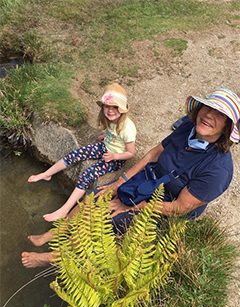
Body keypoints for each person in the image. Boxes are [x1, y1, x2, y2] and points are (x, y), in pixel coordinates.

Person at [22, 87, 240, 268]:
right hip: (150, 179)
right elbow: (154, 153)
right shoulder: (187, 128)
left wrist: (133, 206)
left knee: (105, 221)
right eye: (208, 108)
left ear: (227, 128)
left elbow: (180, 208)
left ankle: (52, 258)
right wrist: (120, 182)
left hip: (165, 205)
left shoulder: (217, 170)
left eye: (220, 115)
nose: (209, 115)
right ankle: (56, 233)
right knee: (95, 195)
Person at [28, 83, 136, 222]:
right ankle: (47, 174)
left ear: (122, 109)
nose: (110, 110)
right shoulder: (111, 119)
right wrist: (108, 136)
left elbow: (131, 152)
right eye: (107, 106)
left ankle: (64, 210)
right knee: (75, 154)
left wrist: (115, 156)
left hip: (116, 158)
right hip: (106, 147)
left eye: (115, 107)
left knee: (87, 175)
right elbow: (113, 133)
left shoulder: (127, 128)